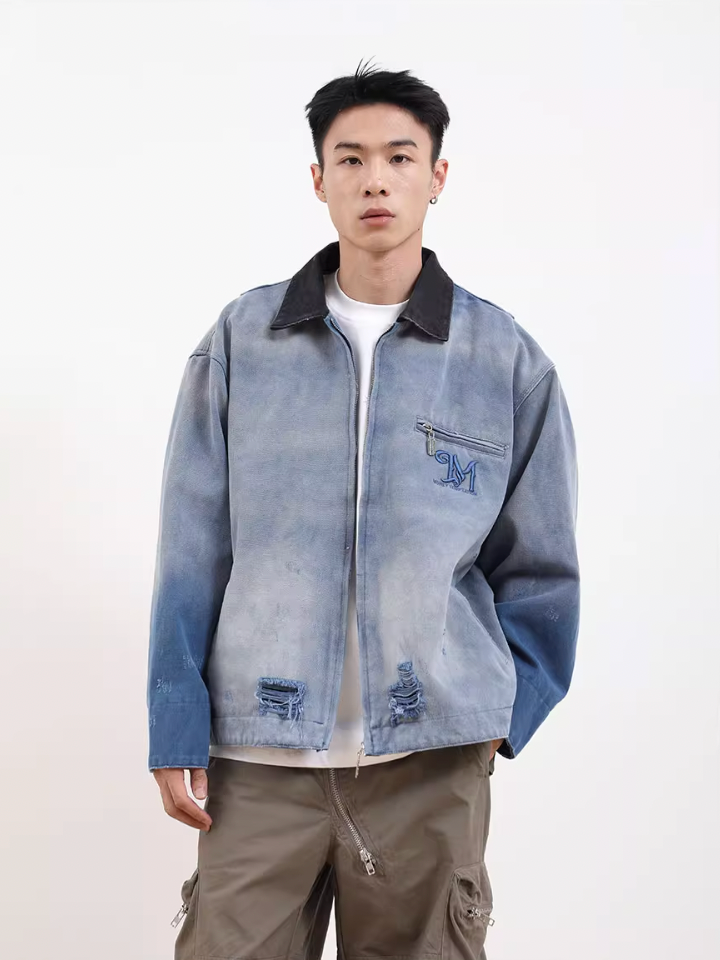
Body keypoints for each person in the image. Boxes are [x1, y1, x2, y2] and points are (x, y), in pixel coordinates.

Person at [146, 59, 580, 960]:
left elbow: (542, 567)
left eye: (399, 157)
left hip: (429, 764)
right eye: (350, 159)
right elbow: (192, 549)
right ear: (319, 180)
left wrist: (502, 717)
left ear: (437, 176)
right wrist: (175, 717)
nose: (375, 179)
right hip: (258, 761)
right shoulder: (243, 341)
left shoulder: (503, 359)